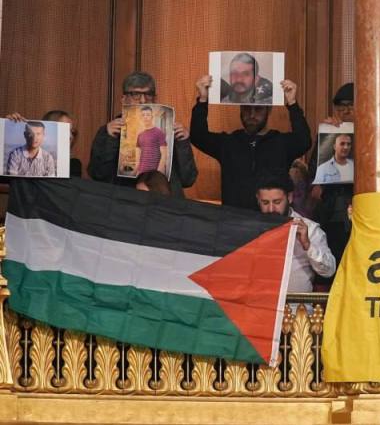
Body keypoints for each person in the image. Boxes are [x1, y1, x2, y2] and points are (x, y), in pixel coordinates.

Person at [191, 74, 312, 210]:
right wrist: (202, 100)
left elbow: (304, 141)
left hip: (271, 218)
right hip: (234, 219)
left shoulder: (281, 143)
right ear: (240, 109)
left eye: (258, 109)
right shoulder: (228, 143)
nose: (252, 115)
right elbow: (198, 136)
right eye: (247, 108)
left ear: (268, 110)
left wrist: (292, 103)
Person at [88, 71, 197, 198]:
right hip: (123, 202)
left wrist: (183, 142)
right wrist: (109, 139)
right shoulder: (108, 132)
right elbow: (98, 175)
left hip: (164, 203)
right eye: (135, 94)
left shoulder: (171, 130)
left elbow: (188, 179)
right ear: (123, 99)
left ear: (155, 99)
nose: (143, 100)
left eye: (148, 94)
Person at [255, 175, 336, 293]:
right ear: (258, 199)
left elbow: (329, 271)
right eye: (265, 203)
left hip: (296, 303)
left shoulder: (310, 229)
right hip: (259, 302)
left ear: (290, 197)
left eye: (277, 202)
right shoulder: (251, 229)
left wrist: (308, 245)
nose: (271, 209)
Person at [132, 106, 168, 176]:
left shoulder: (159, 132)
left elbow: (164, 155)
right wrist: (135, 172)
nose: (145, 117)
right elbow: (138, 158)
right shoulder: (140, 135)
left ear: (152, 117)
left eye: (148, 115)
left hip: (153, 173)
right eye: (143, 115)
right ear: (141, 118)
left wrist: (158, 173)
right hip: (141, 173)